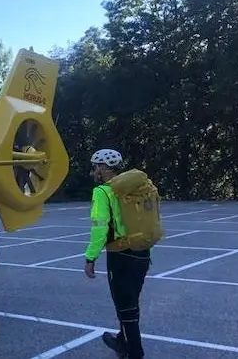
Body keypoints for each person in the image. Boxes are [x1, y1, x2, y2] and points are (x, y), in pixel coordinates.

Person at [83, 149, 151, 359]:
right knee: (130, 302)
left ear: (103, 168)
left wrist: (90, 257)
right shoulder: (137, 188)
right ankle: (122, 342)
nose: (94, 171)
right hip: (142, 251)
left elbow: (99, 228)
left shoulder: (102, 192)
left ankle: (135, 353)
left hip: (121, 254)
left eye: (95, 166)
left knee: (125, 308)